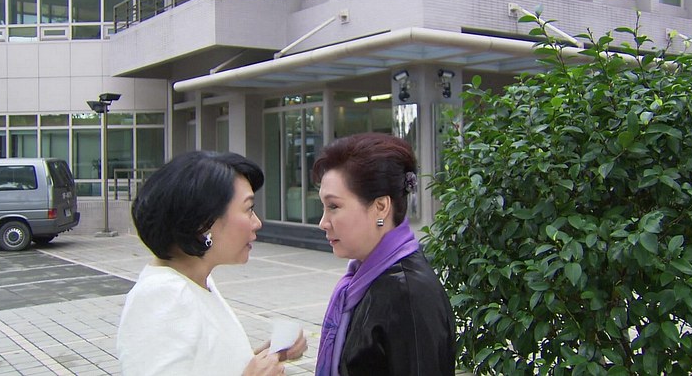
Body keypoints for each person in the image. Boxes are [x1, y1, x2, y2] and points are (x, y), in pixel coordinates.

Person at [117, 151, 307, 376]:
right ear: (203, 222)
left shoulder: (195, 282)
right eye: (248, 209)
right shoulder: (164, 296)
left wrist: (268, 358)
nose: (257, 223)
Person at [312, 132, 456, 376]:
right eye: (323, 207)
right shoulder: (363, 278)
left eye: (334, 206)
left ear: (381, 207)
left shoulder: (407, 294)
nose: (323, 222)